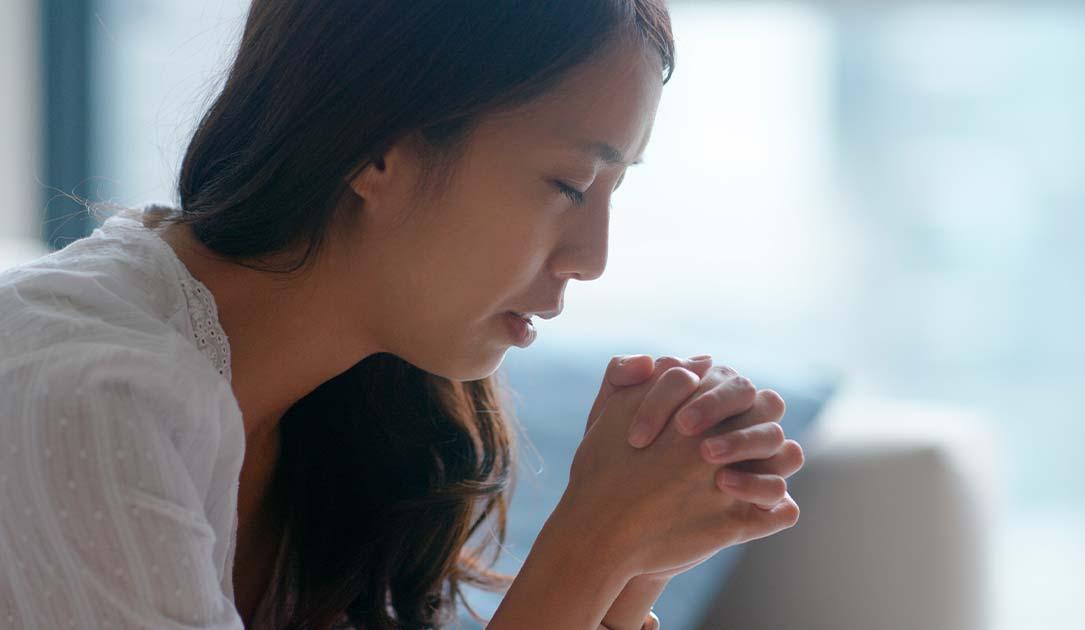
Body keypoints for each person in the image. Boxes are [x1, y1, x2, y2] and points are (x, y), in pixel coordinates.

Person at [0, 1, 805, 628]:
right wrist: (593, 547)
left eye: (611, 193)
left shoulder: (371, 402)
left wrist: (634, 563)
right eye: (568, 185)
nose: (591, 257)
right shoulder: (87, 400)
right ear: (378, 150)